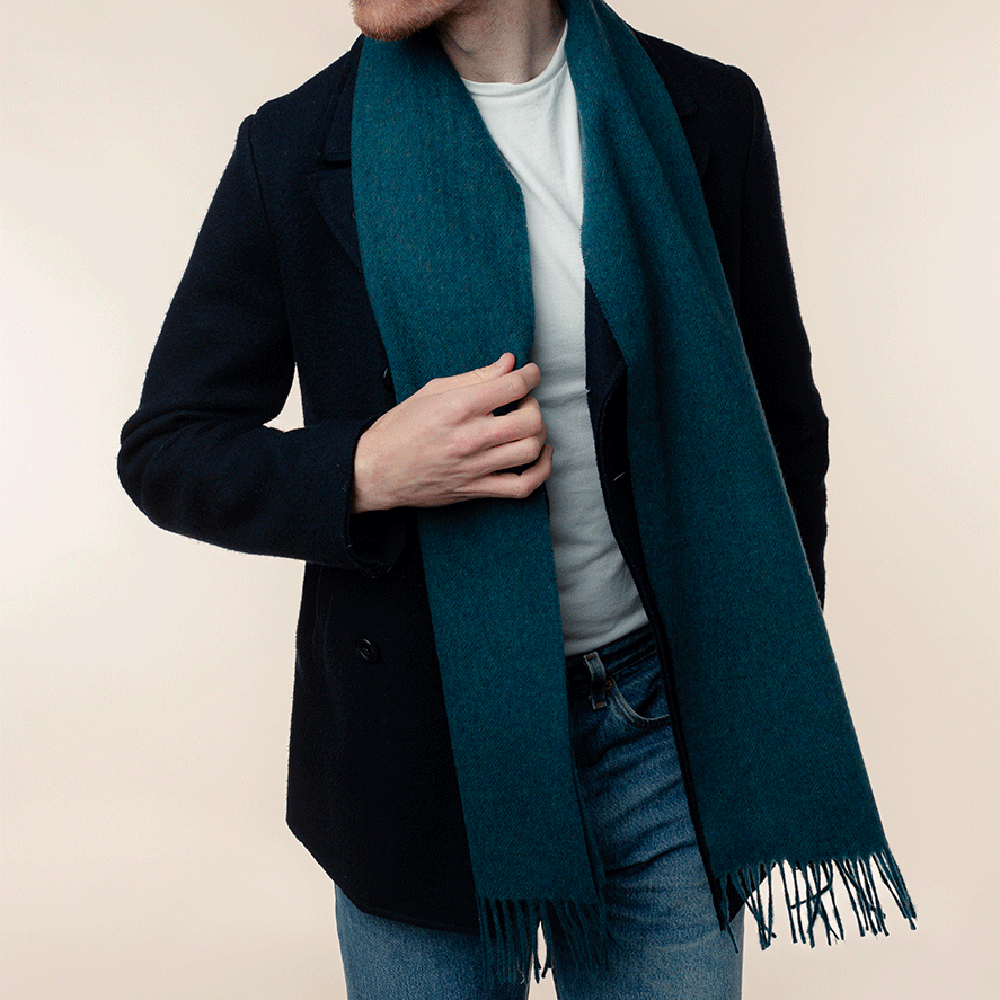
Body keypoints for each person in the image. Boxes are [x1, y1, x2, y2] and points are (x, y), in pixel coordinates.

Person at [118, 0, 915, 997]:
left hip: (664, 737)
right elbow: (167, 448)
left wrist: (746, 668)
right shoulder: (293, 149)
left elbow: (780, 420)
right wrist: (368, 467)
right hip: (425, 748)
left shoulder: (704, 112)